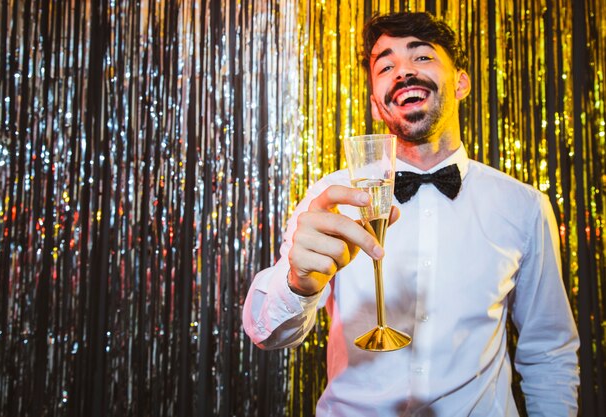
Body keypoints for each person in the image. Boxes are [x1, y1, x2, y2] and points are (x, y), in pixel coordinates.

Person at [243, 11, 579, 416]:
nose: (402, 71)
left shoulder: (524, 206)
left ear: (460, 82)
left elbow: (549, 352)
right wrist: (298, 285)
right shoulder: (329, 198)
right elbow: (267, 334)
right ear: (374, 102)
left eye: (421, 57)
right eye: (385, 65)